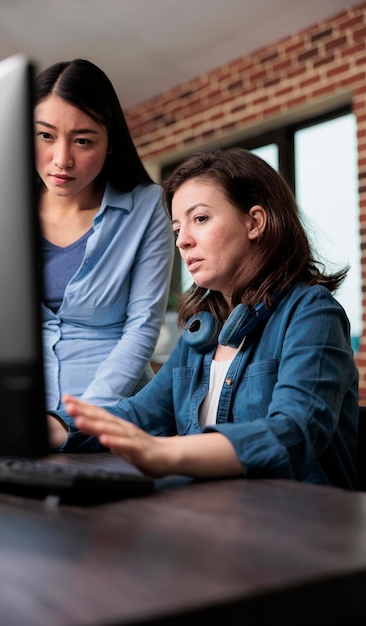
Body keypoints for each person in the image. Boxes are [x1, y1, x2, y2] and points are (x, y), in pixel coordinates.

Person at [49, 147, 359, 490]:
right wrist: (52, 427)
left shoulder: (312, 312)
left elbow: (294, 432)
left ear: (254, 222)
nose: (182, 240)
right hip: (216, 520)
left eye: (200, 219)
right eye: (177, 227)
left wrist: (168, 453)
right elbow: (141, 415)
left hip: (299, 525)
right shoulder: (203, 330)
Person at [35, 58, 174, 448]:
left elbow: (142, 327)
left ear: (111, 142)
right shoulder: (3, 210)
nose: (62, 159)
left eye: (82, 140)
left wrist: (72, 424)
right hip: (19, 427)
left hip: (115, 422)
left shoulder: (148, 206)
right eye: (45, 136)